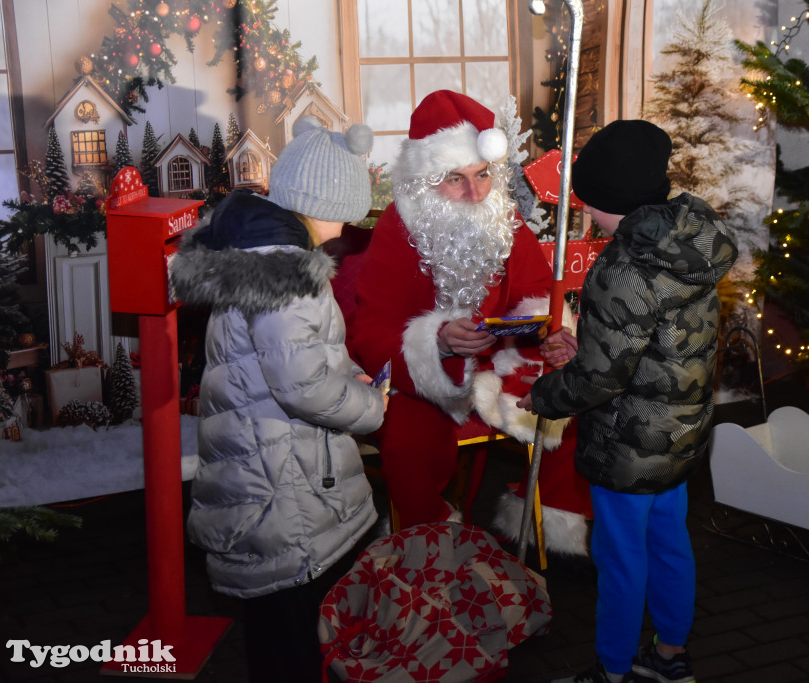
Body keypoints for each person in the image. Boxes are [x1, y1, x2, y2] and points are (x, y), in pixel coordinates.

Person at [519, 119, 738, 683]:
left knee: (620, 560)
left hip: (627, 443)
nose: (585, 211)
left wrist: (543, 393)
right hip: (681, 433)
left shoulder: (622, 266)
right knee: (670, 545)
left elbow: (602, 380)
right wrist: (586, 347)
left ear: (605, 196)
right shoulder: (687, 242)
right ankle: (670, 656)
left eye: (588, 201)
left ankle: (611, 669)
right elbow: (654, 344)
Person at [169, 117, 387, 682]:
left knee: (282, 627)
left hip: (267, 461)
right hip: (281, 479)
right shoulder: (289, 272)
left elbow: (307, 358)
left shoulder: (261, 256)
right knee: (292, 632)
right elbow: (303, 385)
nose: (345, 228)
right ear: (322, 202)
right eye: (344, 212)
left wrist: (353, 376)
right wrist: (373, 408)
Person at [347, 89, 591, 553]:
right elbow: (373, 331)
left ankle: (550, 522)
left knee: (573, 394)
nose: (475, 193)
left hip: (499, 361)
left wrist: (555, 335)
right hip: (417, 379)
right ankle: (431, 544)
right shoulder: (399, 228)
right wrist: (437, 343)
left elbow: (537, 296)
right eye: (455, 179)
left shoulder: (502, 217)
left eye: (482, 175)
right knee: (411, 441)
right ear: (424, 181)